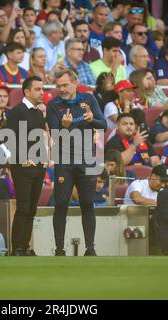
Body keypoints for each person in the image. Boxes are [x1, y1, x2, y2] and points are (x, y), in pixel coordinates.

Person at [47, 69, 107, 256]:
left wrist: (92, 120)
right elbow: (55, 134)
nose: (62, 89)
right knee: (61, 203)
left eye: (65, 85)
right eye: (59, 86)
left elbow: (103, 125)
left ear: (75, 83)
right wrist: (63, 127)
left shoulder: (89, 100)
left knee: (88, 203)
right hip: (64, 160)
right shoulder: (53, 105)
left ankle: (90, 248)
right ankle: (59, 249)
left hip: (87, 159)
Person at [5, 76, 47, 256]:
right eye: (37, 89)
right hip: (22, 167)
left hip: (38, 166)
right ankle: (17, 247)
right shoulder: (17, 111)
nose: (42, 92)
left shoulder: (38, 113)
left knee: (32, 208)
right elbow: (8, 137)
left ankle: (26, 246)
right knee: (23, 207)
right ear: (27, 91)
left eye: (42, 89)